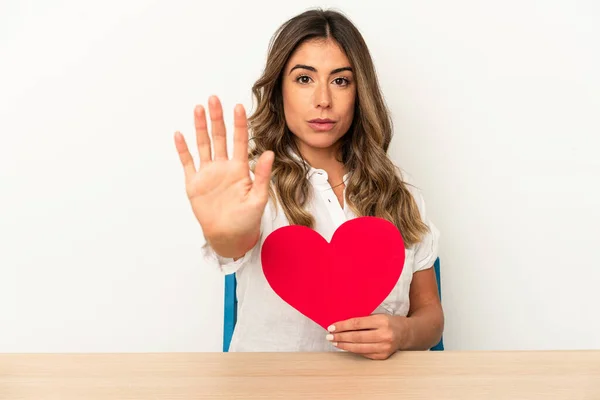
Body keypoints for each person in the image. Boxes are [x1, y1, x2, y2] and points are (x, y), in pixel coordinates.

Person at [173, 8, 443, 360]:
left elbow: (431, 317)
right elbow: (231, 242)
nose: (323, 100)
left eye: (340, 80)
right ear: (278, 91)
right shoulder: (252, 187)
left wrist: (403, 332)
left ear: (360, 92)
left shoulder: (399, 190)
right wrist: (225, 232)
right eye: (304, 79)